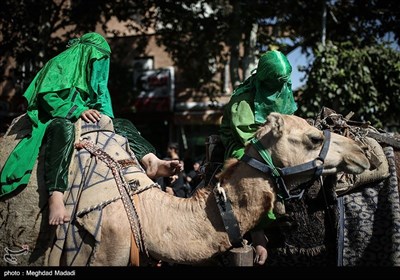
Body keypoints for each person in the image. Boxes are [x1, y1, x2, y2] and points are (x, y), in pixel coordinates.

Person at [0, 32, 182, 226]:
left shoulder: (90, 77)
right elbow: (47, 98)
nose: (101, 65)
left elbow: (102, 103)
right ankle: (56, 195)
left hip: (86, 122)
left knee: (123, 124)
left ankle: (151, 162)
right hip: (53, 118)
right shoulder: (59, 63)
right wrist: (78, 110)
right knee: (64, 129)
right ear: (87, 53)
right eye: (98, 58)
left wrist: (106, 119)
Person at [219, 49, 297, 265]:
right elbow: (248, 138)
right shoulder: (242, 100)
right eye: (277, 81)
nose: (283, 85)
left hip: (274, 142)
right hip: (245, 145)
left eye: (284, 80)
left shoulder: (285, 88)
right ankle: (257, 229)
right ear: (265, 77)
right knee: (254, 170)